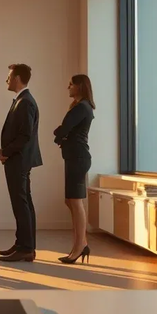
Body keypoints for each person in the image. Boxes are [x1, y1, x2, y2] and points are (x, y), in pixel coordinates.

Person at [0, 63, 42, 262]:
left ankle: (26, 247)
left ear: (16, 78)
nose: (6, 79)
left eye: (9, 76)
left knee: (21, 203)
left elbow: (24, 136)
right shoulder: (22, 100)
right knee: (24, 203)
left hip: (18, 160)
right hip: (19, 160)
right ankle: (24, 244)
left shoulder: (25, 102)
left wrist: (5, 152)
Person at [54, 74, 95, 264]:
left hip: (78, 158)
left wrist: (60, 134)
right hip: (73, 157)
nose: (68, 87)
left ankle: (80, 246)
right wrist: (61, 134)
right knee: (70, 201)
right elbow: (63, 131)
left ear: (80, 86)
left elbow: (62, 130)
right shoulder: (79, 107)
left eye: (71, 84)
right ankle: (81, 243)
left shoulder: (82, 107)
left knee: (75, 202)